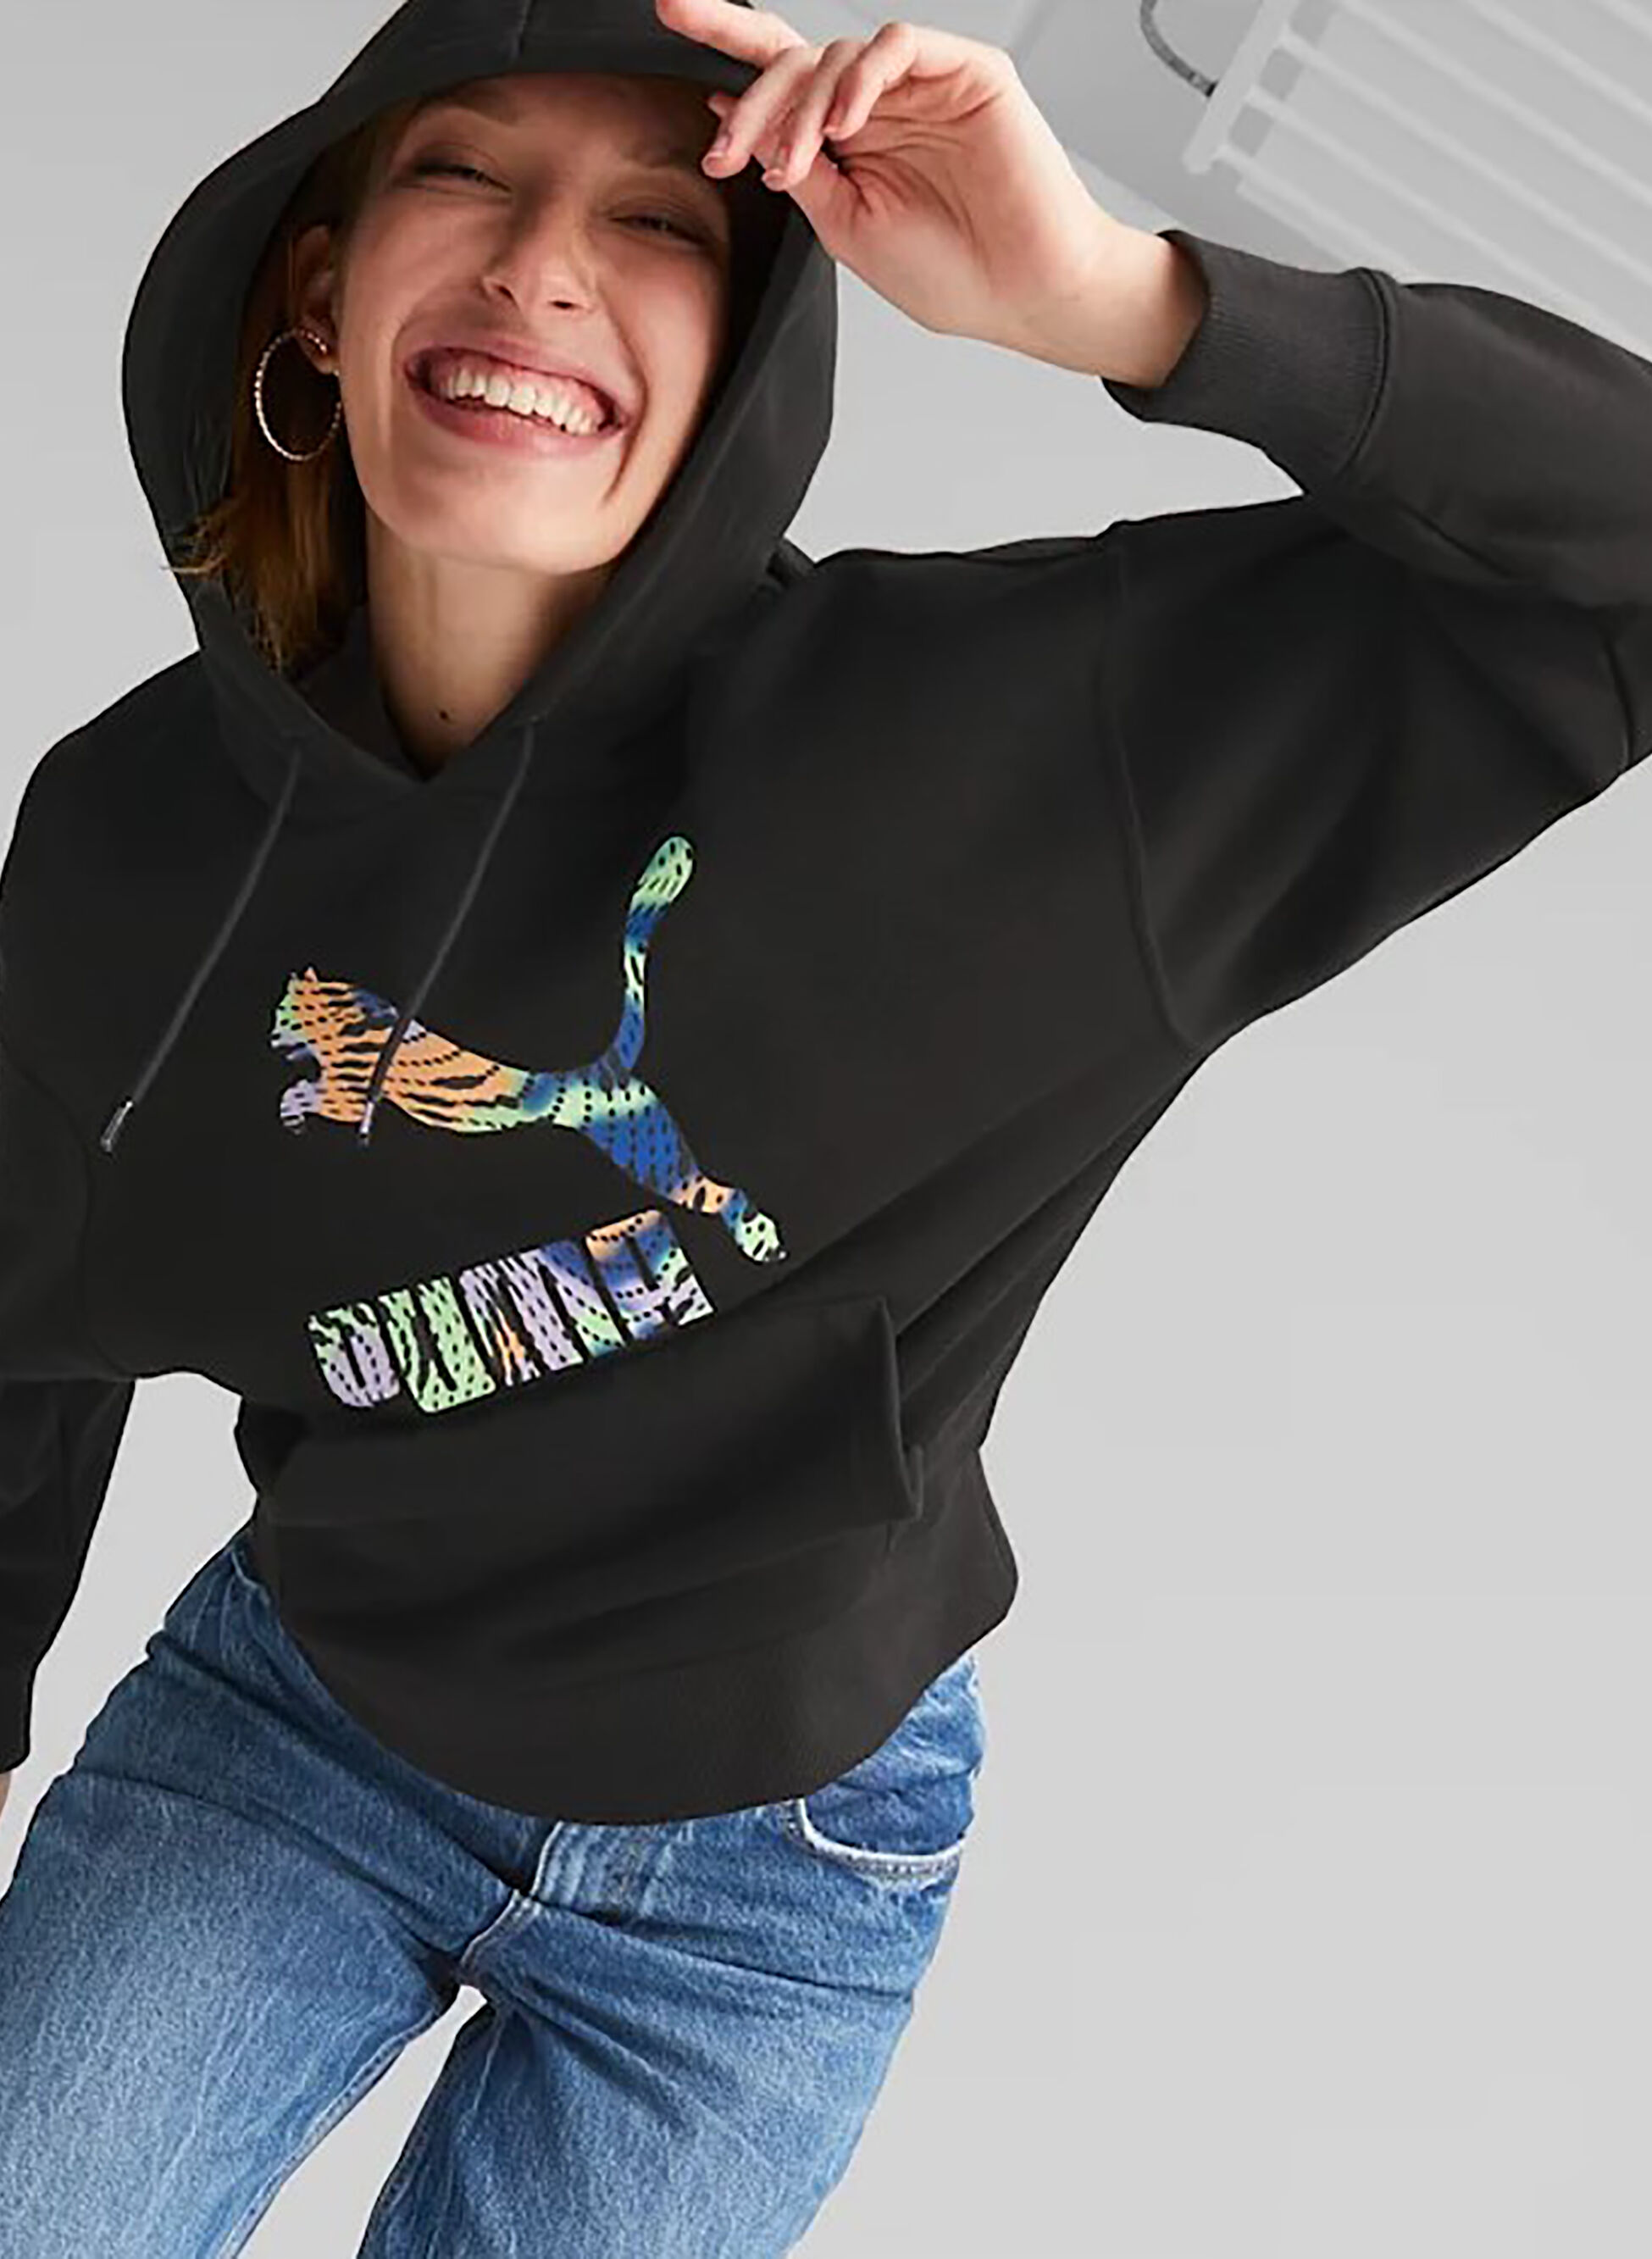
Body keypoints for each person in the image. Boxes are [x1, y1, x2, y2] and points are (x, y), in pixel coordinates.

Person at [2, 0, 1649, 2248]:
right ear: (319, 283)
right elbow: (29, 1318)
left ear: (752, 348)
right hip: (300, 1731)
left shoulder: (1002, 754)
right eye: (462, 172)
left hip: (774, 1876)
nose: (540, 266)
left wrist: (1126, 299)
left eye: (659, 224)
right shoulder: (132, 843)